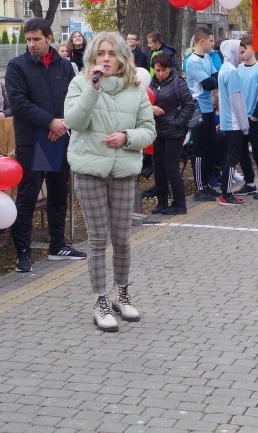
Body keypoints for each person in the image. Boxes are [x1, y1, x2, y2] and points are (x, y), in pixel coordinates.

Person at [64, 31, 156, 332]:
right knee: (98, 238)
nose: (106, 58)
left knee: (122, 238)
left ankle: (122, 293)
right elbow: (74, 123)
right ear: (93, 57)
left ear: (122, 58)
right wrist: (93, 87)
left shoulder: (135, 89)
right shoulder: (80, 83)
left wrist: (127, 137)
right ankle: (100, 300)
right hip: (89, 169)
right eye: (101, 53)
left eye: (112, 53)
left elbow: (149, 130)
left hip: (123, 170)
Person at [6, 18, 85, 273]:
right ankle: (23, 252)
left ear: (49, 39)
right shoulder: (17, 66)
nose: (31, 44)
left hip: (58, 137)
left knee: (59, 192)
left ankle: (58, 245)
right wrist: (49, 122)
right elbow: (19, 104)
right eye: (28, 39)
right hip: (32, 140)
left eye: (36, 39)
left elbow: (74, 99)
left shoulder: (64, 66)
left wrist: (62, 123)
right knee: (28, 195)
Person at [150, 53, 194, 215]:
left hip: (174, 132)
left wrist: (177, 122)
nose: (160, 73)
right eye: (158, 70)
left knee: (171, 167)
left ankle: (179, 203)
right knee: (158, 167)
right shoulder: (153, 83)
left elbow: (189, 104)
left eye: (164, 70)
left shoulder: (177, 82)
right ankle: (162, 201)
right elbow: (146, 101)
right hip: (158, 130)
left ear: (169, 69)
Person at [184, 27, 220, 201]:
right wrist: (213, 81)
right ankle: (199, 187)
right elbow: (208, 84)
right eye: (210, 41)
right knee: (198, 149)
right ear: (202, 41)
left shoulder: (207, 58)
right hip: (197, 108)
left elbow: (216, 77)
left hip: (208, 108)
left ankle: (206, 184)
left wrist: (214, 80)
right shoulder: (192, 61)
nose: (212, 44)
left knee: (209, 147)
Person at [235, 35, 258, 199]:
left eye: (246, 49)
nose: (243, 53)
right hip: (241, 116)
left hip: (254, 118)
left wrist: (256, 115)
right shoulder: (239, 68)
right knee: (242, 151)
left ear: (254, 49)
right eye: (241, 50)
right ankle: (249, 183)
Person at [216, 39, 249, 206]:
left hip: (227, 121)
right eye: (240, 52)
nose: (243, 56)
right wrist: (244, 125)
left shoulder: (224, 69)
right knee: (232, 158)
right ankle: (226, 193)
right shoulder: (232, 72)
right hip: (234, 122)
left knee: (229, 157)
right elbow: (237, 101)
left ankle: (226, 192)